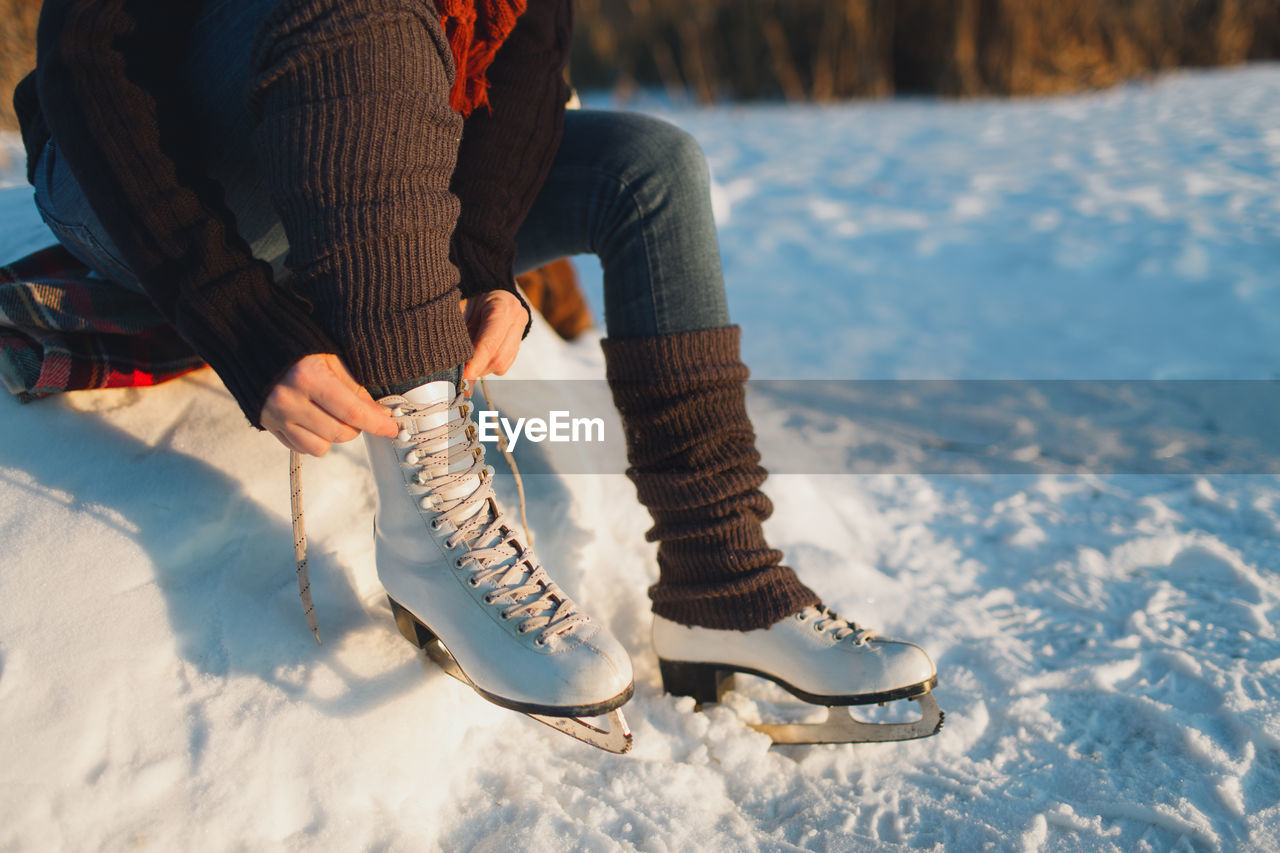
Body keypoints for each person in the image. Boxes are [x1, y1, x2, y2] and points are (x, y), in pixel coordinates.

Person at [14, 0, 939, 747]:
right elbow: (88, 63)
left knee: (650, 168)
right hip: (149, 177)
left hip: (384, 158)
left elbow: (528, 73)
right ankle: (431, 542)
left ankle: (722, 582)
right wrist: (233, 314)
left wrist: (481, 261)